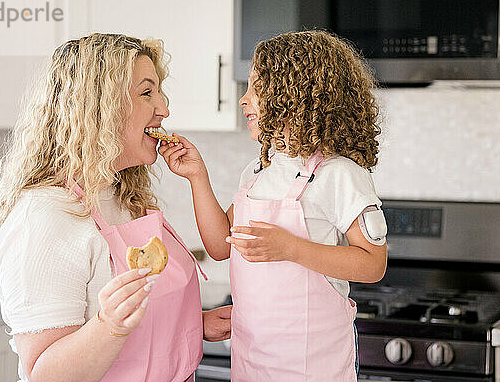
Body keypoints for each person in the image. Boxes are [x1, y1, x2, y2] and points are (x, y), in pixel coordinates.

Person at [0, 33, 231, 382]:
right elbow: (45, 374)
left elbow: (135, 323)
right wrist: (108, 324)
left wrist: (190, 324)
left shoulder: (120, 195)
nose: (164, 108)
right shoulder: (44, 219)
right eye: (147, 93)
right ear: (100, 107)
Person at [159, 30, 387, 381]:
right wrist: (197, 177)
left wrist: (291, 248)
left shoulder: (339, 174)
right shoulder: (256, 171)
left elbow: (373, 264)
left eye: (255, 87)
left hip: (313, 365)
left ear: (294, 96)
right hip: (253, 360)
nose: (243, 99)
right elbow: (221, 247)